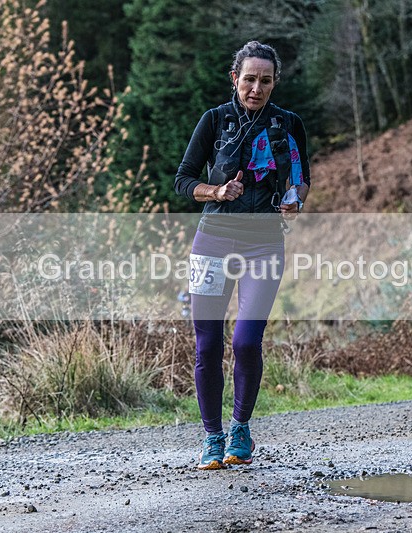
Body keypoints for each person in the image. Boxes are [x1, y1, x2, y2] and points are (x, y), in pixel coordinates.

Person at [175, 41, 310, 469]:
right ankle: (212, 437)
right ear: (235, 78)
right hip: (212, 241)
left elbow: (302, 177)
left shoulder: (289, 124)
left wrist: (294, 199)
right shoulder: (213, 121)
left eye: (265, 80)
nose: (256, 88)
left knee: (246, 340)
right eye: (249, 79)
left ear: (274, 83)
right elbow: (183, 180)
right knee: (207, 343)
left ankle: (240, 428)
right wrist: (216, 191)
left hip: (264, 242)